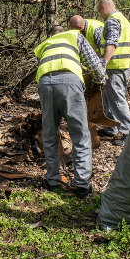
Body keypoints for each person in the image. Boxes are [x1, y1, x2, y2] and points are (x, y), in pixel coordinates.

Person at [35, 24, 105, 198]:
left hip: (45, 84)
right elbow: (95, 65)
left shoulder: (45, 44)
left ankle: (52, 180)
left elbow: (41, 66)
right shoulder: (75, 36)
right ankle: (82, 184)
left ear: (50, 34)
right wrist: (99, 81)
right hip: (70, 82)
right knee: (80, 133)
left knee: (50, 133)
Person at [97, 0, 130, 146]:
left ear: (104, 8)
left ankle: (127, 132)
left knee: (117, 99)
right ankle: (110, 128)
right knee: (108, 97)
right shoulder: (124, 20)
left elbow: (111, 43)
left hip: (115, 66)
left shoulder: (112, 20)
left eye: (99, 12)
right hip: (123, 65)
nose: (100, 15)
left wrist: (103, 63)